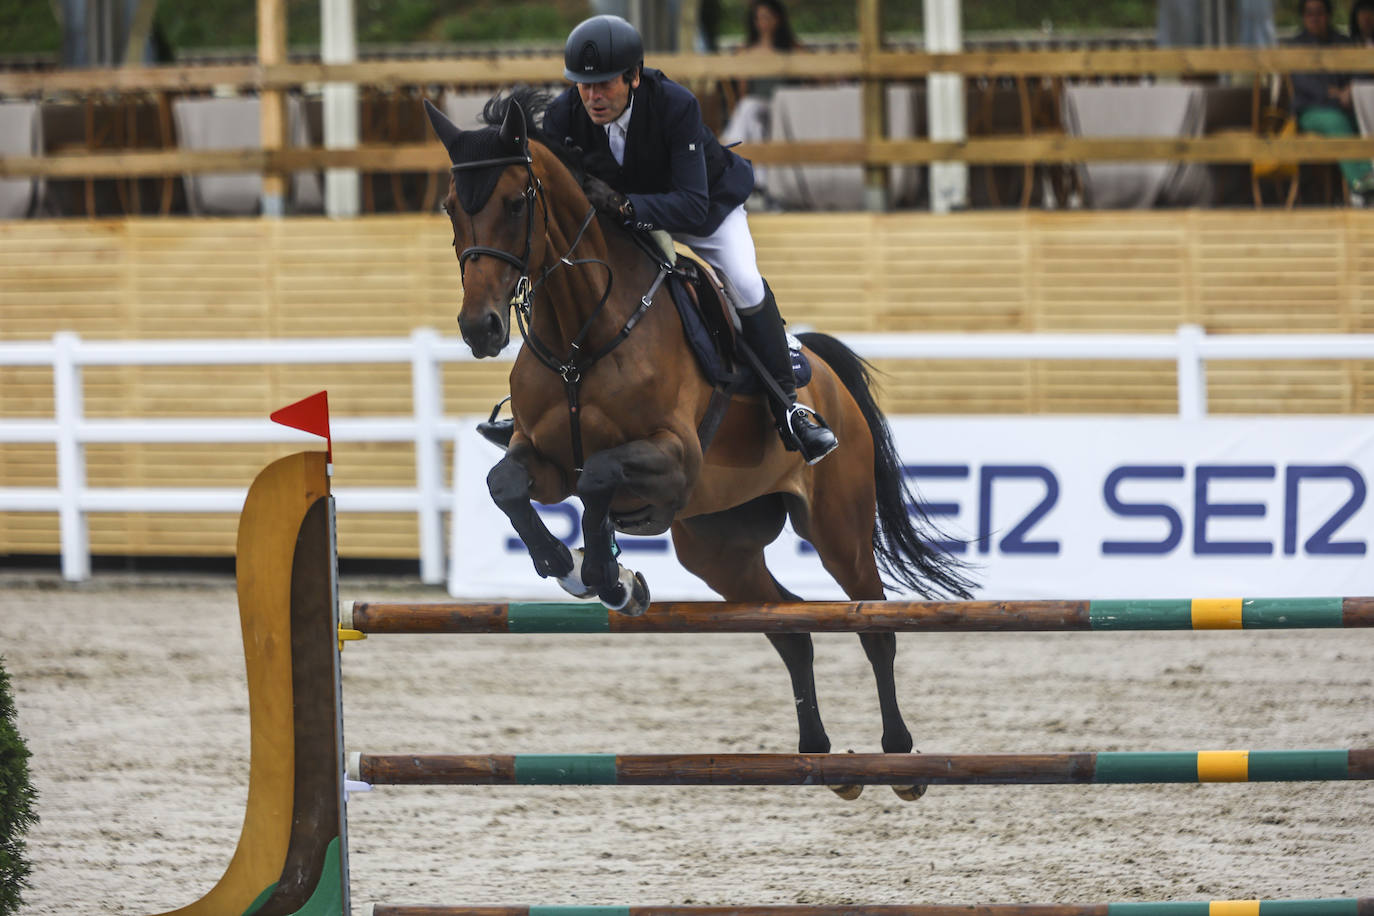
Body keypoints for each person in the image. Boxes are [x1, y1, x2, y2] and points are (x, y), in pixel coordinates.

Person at [543, 13, 837, 464]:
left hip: (704, 210)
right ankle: (539, 405)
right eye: (585, 85)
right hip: (626, 219)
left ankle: (790, 409)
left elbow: (691, 205)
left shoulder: (676, 104)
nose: (593, 96)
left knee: (743, 281)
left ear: (634, 76)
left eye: (604, 84)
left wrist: (624, 206)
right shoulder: (564, 114)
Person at [1289, 0, 1374, 198]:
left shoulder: (1343, 42)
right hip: (1312, 111)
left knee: (1364, 119)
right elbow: (1304, 84)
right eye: (1309, 14)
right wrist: (1335, 95)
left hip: (1344, 108)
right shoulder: (1296, 46)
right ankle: (1362, 184)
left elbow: (1360, 72)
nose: (1314, 18)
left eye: (1319, 13)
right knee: (1337, 122)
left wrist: (1350, 89)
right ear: (1303, 17)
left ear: (1328, 15)